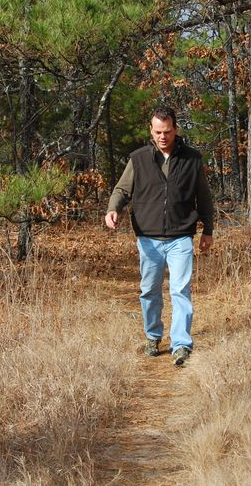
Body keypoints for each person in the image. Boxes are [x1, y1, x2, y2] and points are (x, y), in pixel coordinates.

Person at [105, 106, 214, 366]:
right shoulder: (139, 158)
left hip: (180, 238)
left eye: (167, 131)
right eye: (157, 132)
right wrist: (112, 209)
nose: (162, 137)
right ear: (151, 131)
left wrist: (208, 230)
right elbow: (122, 189)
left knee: (180, 291)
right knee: (149, 291)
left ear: (175, 130)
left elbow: (204, 197)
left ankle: (180, 345)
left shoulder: (192, 159)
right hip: (148, 238)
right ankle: (153, 337)